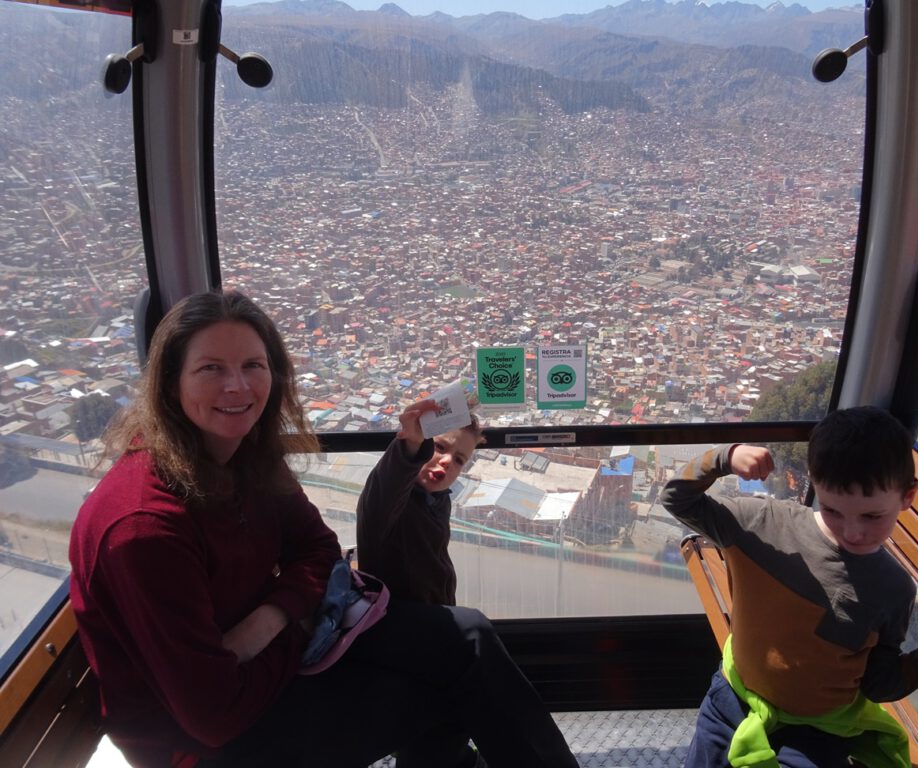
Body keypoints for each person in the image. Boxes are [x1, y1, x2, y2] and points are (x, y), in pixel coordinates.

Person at [68, 290, 580, 768]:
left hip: (274, 659)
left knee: (467, 635)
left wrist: (272, 618)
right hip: (205, 743)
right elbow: (212, 713)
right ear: (169, 383)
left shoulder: (243, 459)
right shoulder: (143, 527)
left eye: (252, 365)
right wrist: (297, 616)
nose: (237, 386)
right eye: (210, 369)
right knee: (449, 686)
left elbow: (318, 548)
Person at [661, 405, 918, 768]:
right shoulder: (762, 524)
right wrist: (724, 457)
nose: (853, 532)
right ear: (815, 482)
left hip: (818, 728)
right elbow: (676, 499)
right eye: (833, 510)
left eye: (872, 516)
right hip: (733, 696)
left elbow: (879, 683)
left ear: (908, 496)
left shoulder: (892, 589)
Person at [356, 399, 485, 767]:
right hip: (399, 635)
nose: (446, 461)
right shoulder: (387, 505)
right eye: (440, 447)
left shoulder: (434, 501)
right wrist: (411, 446)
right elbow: (386, 486)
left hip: (428, 632)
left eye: (460, 459)